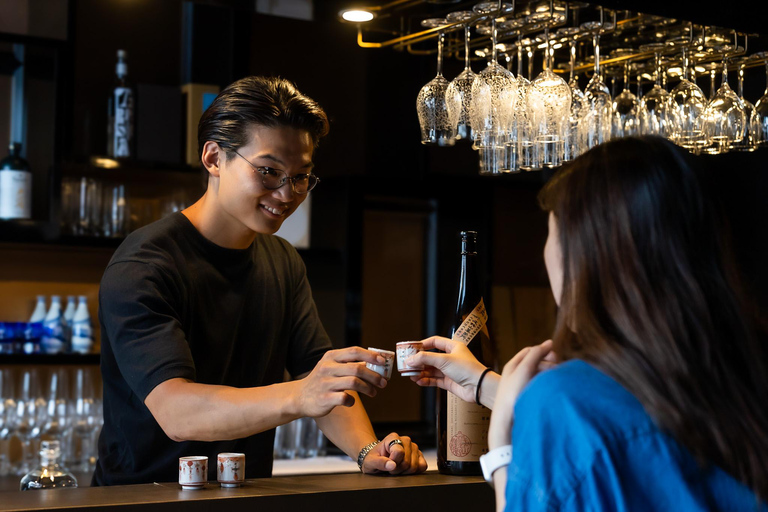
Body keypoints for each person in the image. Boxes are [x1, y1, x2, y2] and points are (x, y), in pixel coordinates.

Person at [95, 76, 426, 486]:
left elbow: (319, 379)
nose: (287, 194)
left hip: (247, 495)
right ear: (214, 158)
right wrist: (300, 395)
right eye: (269, 171)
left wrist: (368, 451)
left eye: (301, 176)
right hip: (143, 499)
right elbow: (177, 411)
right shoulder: (145, 263)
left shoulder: (283, 261)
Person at [407, 136, 768, 510]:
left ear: (581, 259)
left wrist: (501, 452)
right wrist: (486, 385)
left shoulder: (560, 402)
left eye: (550, 234)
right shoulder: (746, 371)